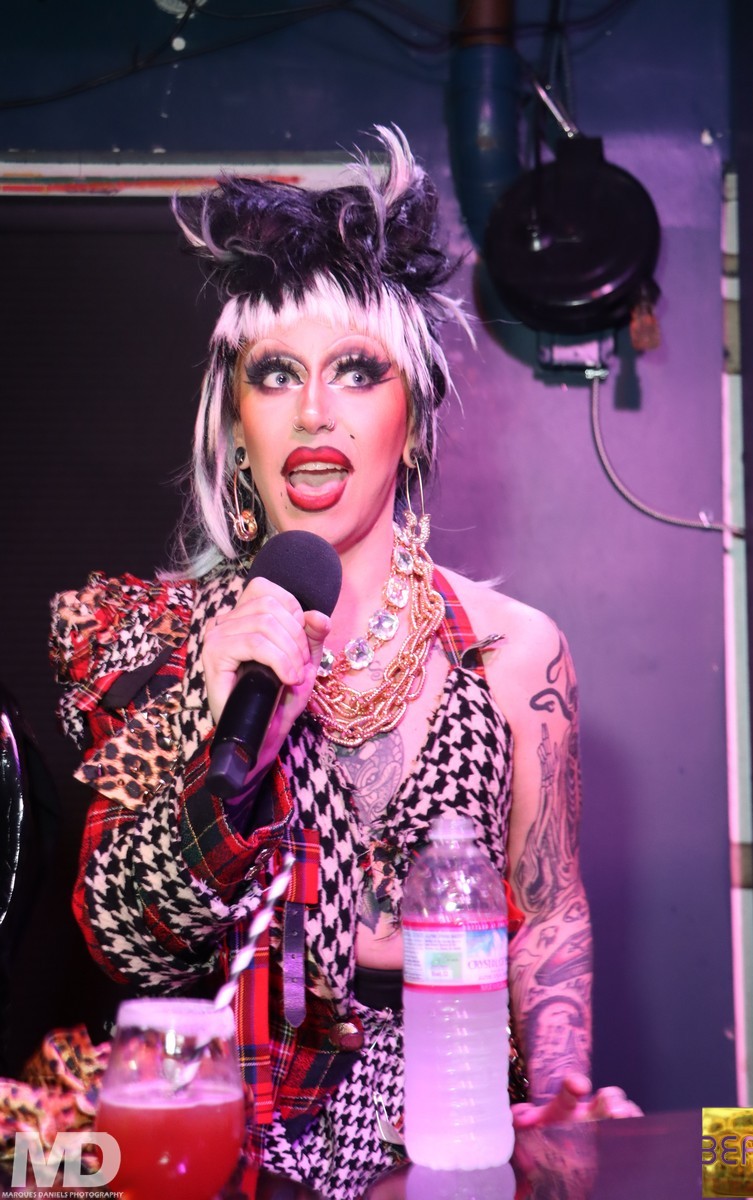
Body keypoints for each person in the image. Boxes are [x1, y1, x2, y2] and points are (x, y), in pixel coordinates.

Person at [50, 126, 638, 1199]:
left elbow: (549, 908)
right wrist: (215, 736)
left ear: (412, 417)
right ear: (237, 425)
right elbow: (133, 945)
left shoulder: (516, 654)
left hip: (457, 1133)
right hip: (235, 1149)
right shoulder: (156, 641)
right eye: (276, 375)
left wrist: (558, 1089)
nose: (314, 410)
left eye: (356, 371)